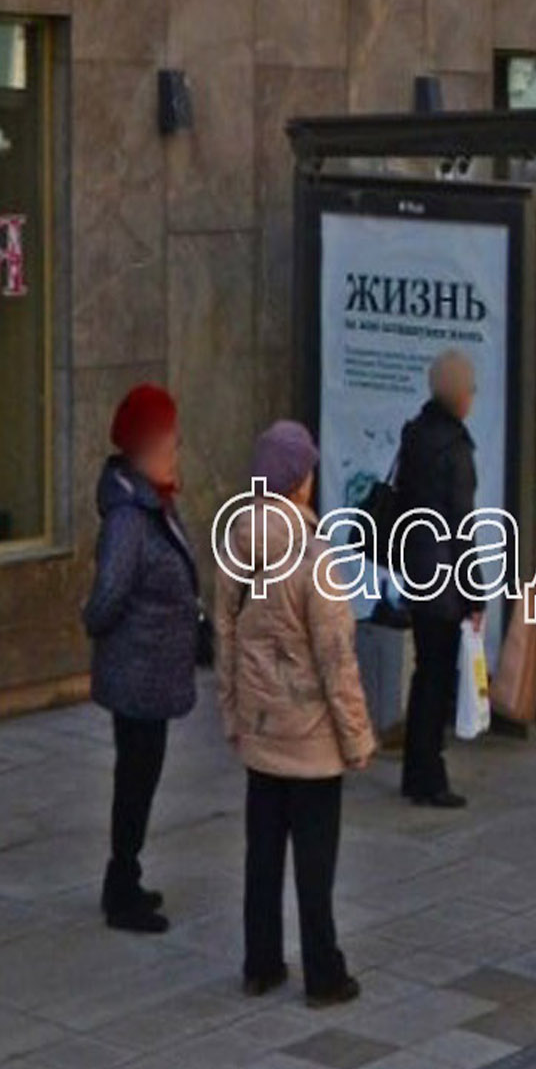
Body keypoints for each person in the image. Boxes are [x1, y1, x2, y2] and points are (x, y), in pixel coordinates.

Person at [215, 422, 373, 1009]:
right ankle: (324, 974)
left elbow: (225, 640)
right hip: (311, 743)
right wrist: (357, 738)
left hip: (261, 734)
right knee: (314, 864)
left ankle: (260, 964)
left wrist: (233, 716)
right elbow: (336, 660)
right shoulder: (312, 557)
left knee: (261, 856)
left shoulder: (237, 545)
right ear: (299, 482)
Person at [82, 384, 199, 935]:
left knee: (141, 777)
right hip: (137, 672)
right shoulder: (129, 517)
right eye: (169, 439)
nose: (177, 448)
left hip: (150, 669)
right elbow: (108, 594)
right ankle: (121, 886)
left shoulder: (153, 501)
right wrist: (97, 623)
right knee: (135, 780)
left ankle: (125, 877)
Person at [396, 350, 480, 809]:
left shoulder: (415, 434)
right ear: (459, 395)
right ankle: (430, 774)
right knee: (438, 676)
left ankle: (416, 769)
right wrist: (475, 591)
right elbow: (462, 526)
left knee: (425, 670)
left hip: (417, 566)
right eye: (470, 389)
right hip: (445, 574)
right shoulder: (455, 448)